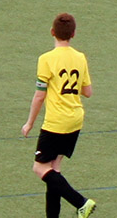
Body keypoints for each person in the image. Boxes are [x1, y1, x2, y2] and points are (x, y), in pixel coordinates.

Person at [21, 13, 97, 218]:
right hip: (75, 119)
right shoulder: (80, 57)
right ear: (73, 34)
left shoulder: (46, 59)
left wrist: (29, 123)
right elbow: (88, 91)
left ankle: (81, 202)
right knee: (54, 169)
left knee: (39, 168)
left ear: (52, 32)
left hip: (56, 122)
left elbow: (39, 96)